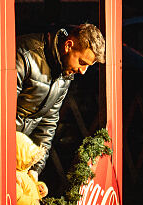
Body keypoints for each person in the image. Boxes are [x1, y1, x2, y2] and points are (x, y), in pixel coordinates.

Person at [15, 23, 106, 185]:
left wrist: (34, 169)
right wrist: (9, 159)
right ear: (68, 45)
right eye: (82, 62)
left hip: (19, 156)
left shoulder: (65, 75)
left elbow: (48, 122)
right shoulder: (26, 54)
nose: (83, 71)